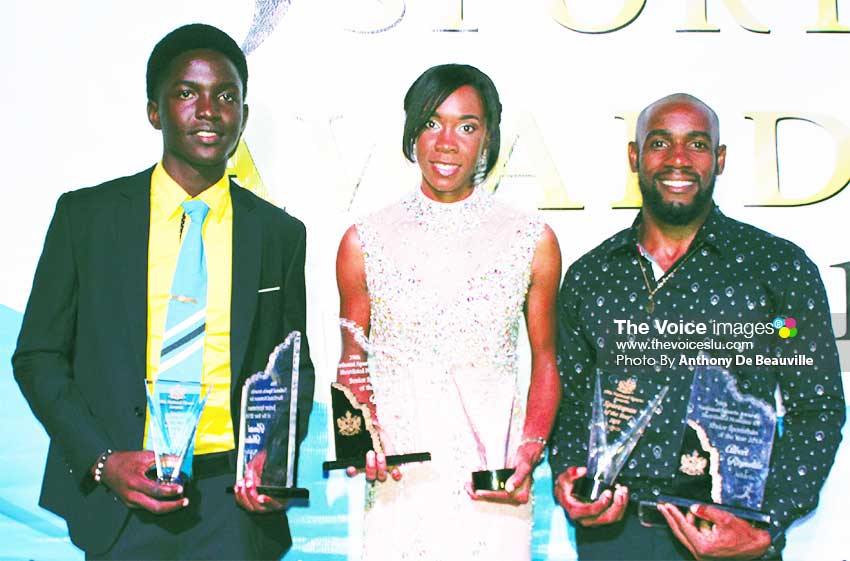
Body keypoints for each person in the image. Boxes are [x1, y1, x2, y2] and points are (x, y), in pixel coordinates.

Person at [12, 23, 313, 560]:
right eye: (186, 93)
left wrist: (274, 456)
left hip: (233, 509)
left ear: (242, 114)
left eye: (226, 96)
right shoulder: (87, 219)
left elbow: (293, 365)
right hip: (122, 495)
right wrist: (102, 461)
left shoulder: (278, 235)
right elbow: (37, 355)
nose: (208, 110)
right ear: (155, 111)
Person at [549, 93, 845, 560]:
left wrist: (767, 525)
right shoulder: (592, 275)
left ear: (720, 159)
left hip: (730, 537)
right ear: (635, 156)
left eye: (698, 145)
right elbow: (570, 402)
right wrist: (569, 475)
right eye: (661, 143)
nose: (678, 160)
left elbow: (818, 407)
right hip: (613, 541)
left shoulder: (777, 268)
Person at [335, 63, 562, 560]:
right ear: (412, 130)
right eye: (432, 122)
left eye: (467, 126)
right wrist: (360, 441)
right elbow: (353, 359)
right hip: (401, 480)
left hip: (492, 482)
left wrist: (529, 451)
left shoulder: (532, 240)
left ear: (488, 138)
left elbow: (547, 359)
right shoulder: (363, 240)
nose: (446, 142)